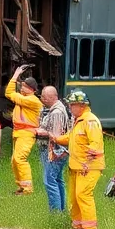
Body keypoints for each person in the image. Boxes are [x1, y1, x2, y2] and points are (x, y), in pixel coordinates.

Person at [50, 90, 105, 229]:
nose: (69, 108)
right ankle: (78, 227)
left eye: (71, 105)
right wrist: (56, 138)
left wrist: (87, 161)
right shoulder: (79, 120)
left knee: (83, 195)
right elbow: (71, 138)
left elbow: (95, 144)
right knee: (74, 197)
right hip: (76, 167)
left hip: (88, 167)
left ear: (81, 105)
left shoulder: (90, 121)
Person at [5, 65, 43, 195]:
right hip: (19, 133)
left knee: (19, 159)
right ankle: (21, 186)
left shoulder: (32, 101)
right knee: (15, 160)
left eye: (23, 86)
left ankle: (27, 189)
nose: (21, 87)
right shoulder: (25, 98)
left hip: (26, 133)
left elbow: (9, 93)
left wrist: (15, 76)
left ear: (30, 89)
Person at [34, 85, 69, 213]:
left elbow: (56, 136)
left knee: (49, 180)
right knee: (58, 180)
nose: (41, 99)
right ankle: (61, 210)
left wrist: (41, 132)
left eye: (43, 97)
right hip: (58, 151)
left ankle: (55, 213)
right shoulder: (52, 110)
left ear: (51, 97)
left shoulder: (57, 112)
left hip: (54, 152)